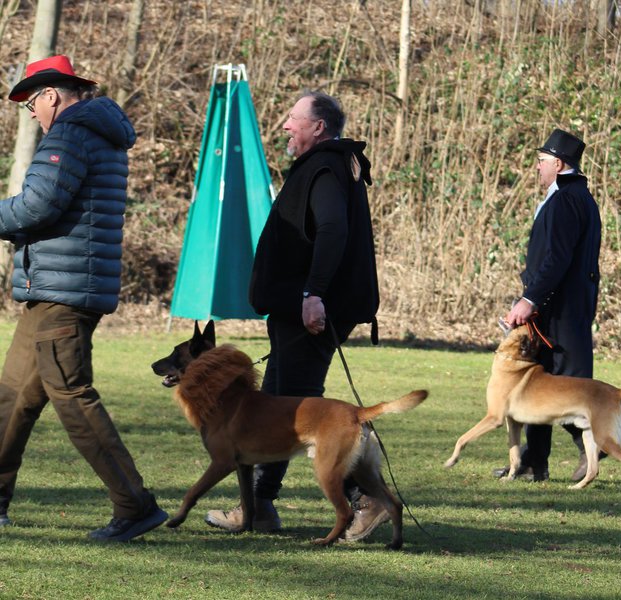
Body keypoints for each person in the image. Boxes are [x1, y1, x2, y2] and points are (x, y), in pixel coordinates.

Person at [205, 91, 385, 542]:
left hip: (309, 310)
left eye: (293, 118)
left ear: (318, 127)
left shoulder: (325, 168)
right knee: (279, 404)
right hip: (297, 308)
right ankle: (258, 507)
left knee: (300, 409)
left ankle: (368, 499)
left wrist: (313, 293)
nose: (285, 125)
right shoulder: (326, 166)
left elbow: (332, 230)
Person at [0, 55, 167, 541]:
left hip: (63, 292)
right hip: (59, 287)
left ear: (52, 95)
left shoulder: (69, 135)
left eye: (32, 103)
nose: (32, 113)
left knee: (72, 396)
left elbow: (38, 206)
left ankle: (135, 505)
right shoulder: (97, 134)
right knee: (12, 396)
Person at [498, 128, 601, 482]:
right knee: (538, 381)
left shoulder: (566, 200)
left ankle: (596, 447)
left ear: (558, 163)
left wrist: (529, 299)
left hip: (561, 310)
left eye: (541, 161)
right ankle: (534, 461)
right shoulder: (572, 196)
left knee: (569, 386)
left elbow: (557, 259)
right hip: (557, 305)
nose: (537, 167)